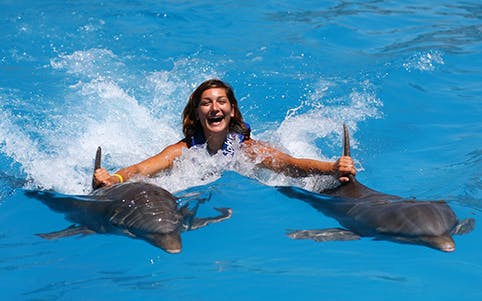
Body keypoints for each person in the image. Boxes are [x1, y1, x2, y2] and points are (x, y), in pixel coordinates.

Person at [94, 79, 356, 187]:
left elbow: (290, 166)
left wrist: (332, 167)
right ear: (197, 113)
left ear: (231, 111)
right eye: (206, 103)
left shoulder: (247, 149)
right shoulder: (183, 151)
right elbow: (141, 170)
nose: (214, 108)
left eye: (221, 102)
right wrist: (114, 179)